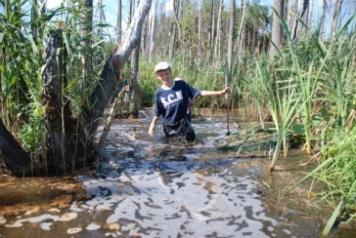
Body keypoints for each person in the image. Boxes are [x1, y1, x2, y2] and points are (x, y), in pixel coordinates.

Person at [148, 61, 230, 142]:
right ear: (158, 77)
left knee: (190, 145)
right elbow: (158, 112)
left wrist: (220, 92)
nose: (165, 76)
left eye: (167, 73)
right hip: (169, 126)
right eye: (161, 75)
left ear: (171, 72)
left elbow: (200, 93)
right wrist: (152, 125)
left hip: (184, 122)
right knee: (172, 148)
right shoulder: (159, 93)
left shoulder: (181, 85)